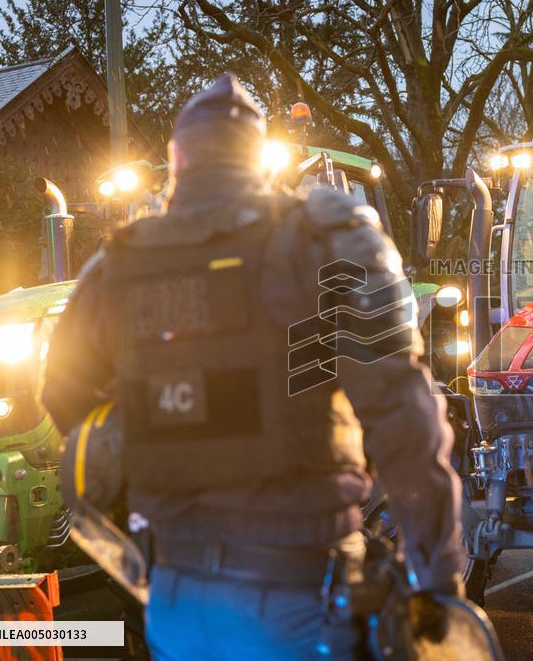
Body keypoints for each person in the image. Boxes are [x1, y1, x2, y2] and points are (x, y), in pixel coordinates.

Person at [40, 74, 464, 660]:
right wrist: (439, 581)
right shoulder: (325, 241)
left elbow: (61, 391)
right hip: (301, 596)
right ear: (256, 162)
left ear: (178, 161)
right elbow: (406, 423)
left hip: (175, 604)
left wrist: (147, 453)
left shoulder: (117, 267)